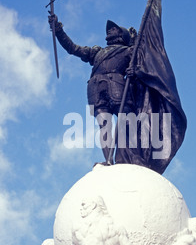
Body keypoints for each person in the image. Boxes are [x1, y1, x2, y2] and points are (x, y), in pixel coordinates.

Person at [49, 14, 137, 164]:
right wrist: (58, 30)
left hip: (117, 87)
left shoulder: (129, 52)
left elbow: (144, 65)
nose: (110, 30)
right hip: (96, 89)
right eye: (110, 29)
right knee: (104, 125)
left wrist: (135, 68)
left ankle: (125, 159)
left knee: (126, 121)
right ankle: (108, 160)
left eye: (114, 29)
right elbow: (73, 48)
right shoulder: (97, 52)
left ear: (122, 35)